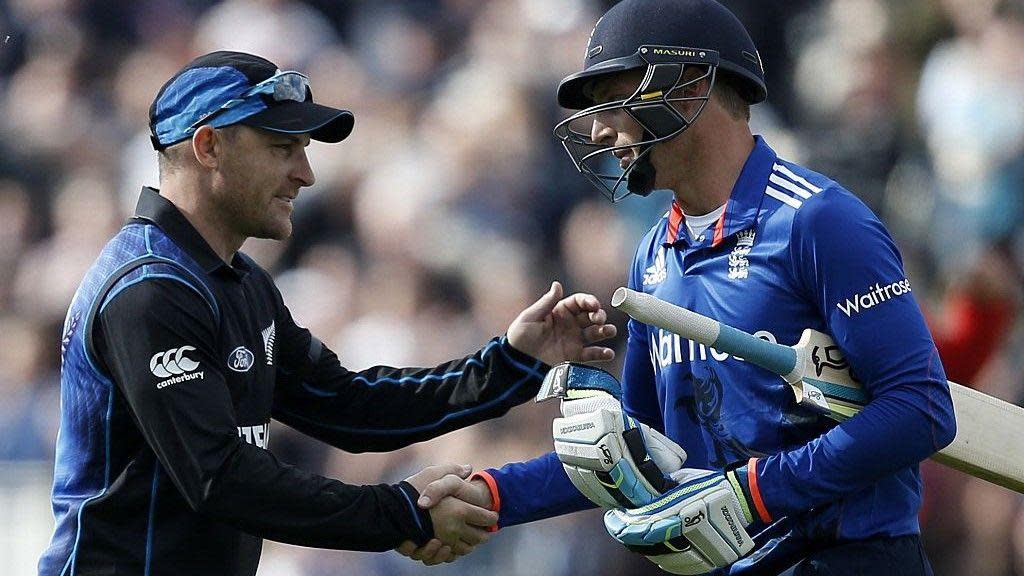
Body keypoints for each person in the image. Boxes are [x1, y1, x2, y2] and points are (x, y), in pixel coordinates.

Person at [406, 0, 957, 574]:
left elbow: (922, 407)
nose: (598, 128)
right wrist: (492, 495)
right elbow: (636, 451)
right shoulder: (652, 257)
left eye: (614, 97)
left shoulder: (816, 223)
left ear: (691, 87)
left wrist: (755, 492)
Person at [37, 50, 618, 576]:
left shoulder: (239, 283)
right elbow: (223, 479)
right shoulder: (150, 290)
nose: (305, 173)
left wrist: (511, 365)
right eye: (281, 148)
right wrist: (398, 514)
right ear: (208, 146)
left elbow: (347, 405)